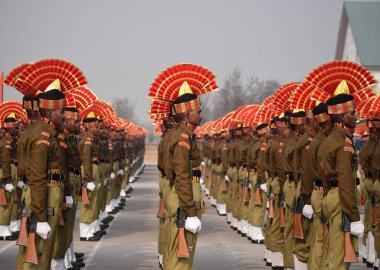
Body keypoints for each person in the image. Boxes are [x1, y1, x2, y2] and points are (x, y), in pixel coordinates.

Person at [320, 93, 364, 270]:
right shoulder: (343, 143)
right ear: (341, 116)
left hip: (331, 195)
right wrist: (354, 217)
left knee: (331, 250)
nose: (356, 116)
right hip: (340, 199)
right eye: (352, 113)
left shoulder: (330, 139)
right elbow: (346, 181)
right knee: (339, 258)